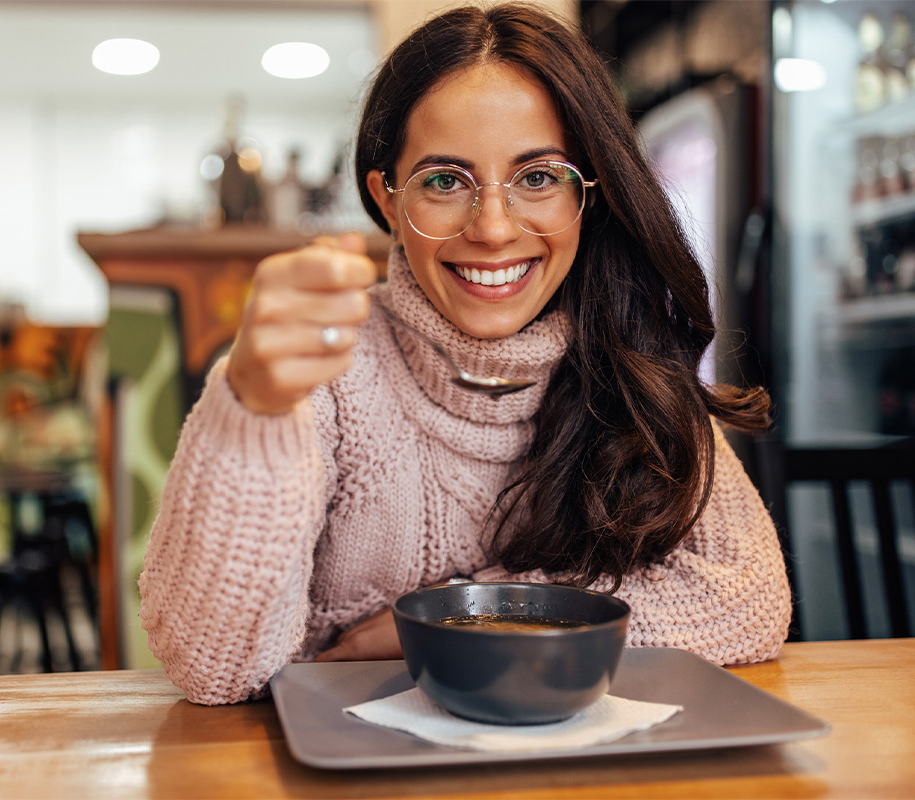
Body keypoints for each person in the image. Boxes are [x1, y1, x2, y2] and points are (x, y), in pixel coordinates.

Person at [139, 2, 791, 706]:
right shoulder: (319, 376)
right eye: (445, 181)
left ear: (589, 196)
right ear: (387, 200)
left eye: (538, 177)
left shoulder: (634, 361)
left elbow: (747, 599)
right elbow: (213, 669)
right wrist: (250, 411)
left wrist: (454, 621)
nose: (492, 228)